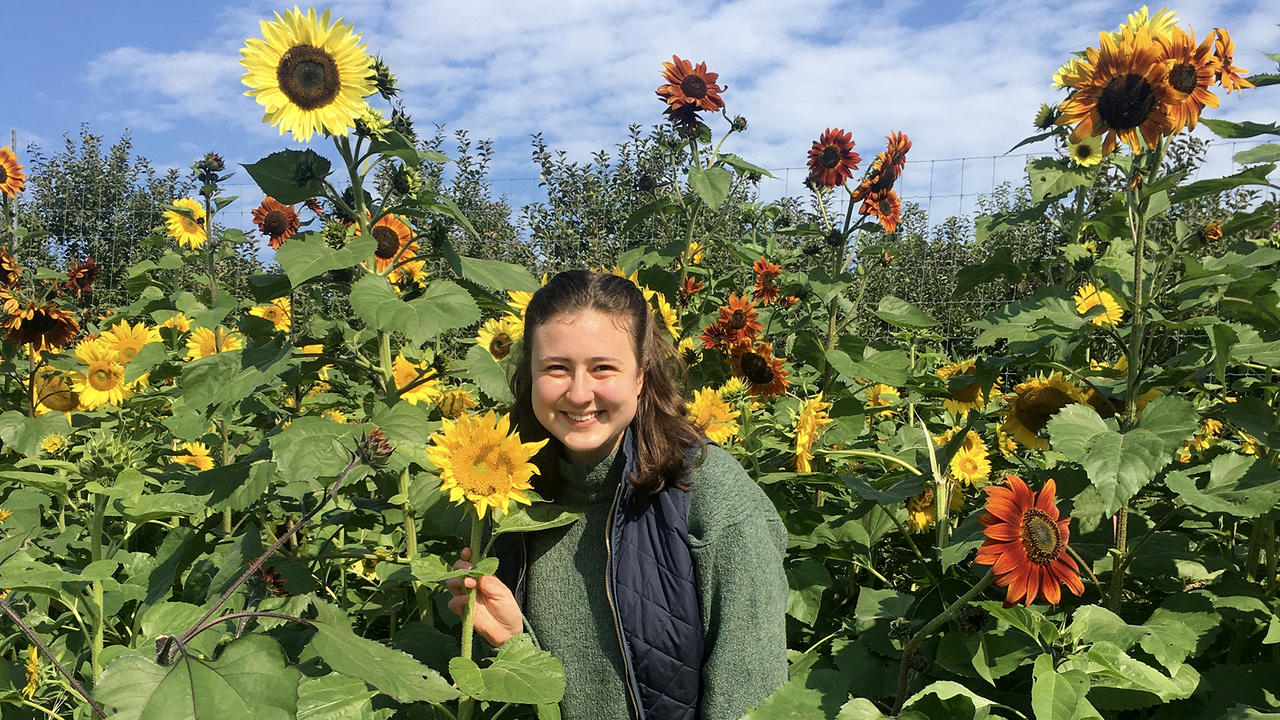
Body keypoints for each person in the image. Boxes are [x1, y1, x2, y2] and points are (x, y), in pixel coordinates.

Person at [446, 270, 788, 720]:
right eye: (556, 368)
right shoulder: (506, 494)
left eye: (602, 367)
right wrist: (511, 641)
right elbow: (535, 684)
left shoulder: (708, 492)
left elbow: (751, 692)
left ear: (642, 377)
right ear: (528, 375)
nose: (580, 392)